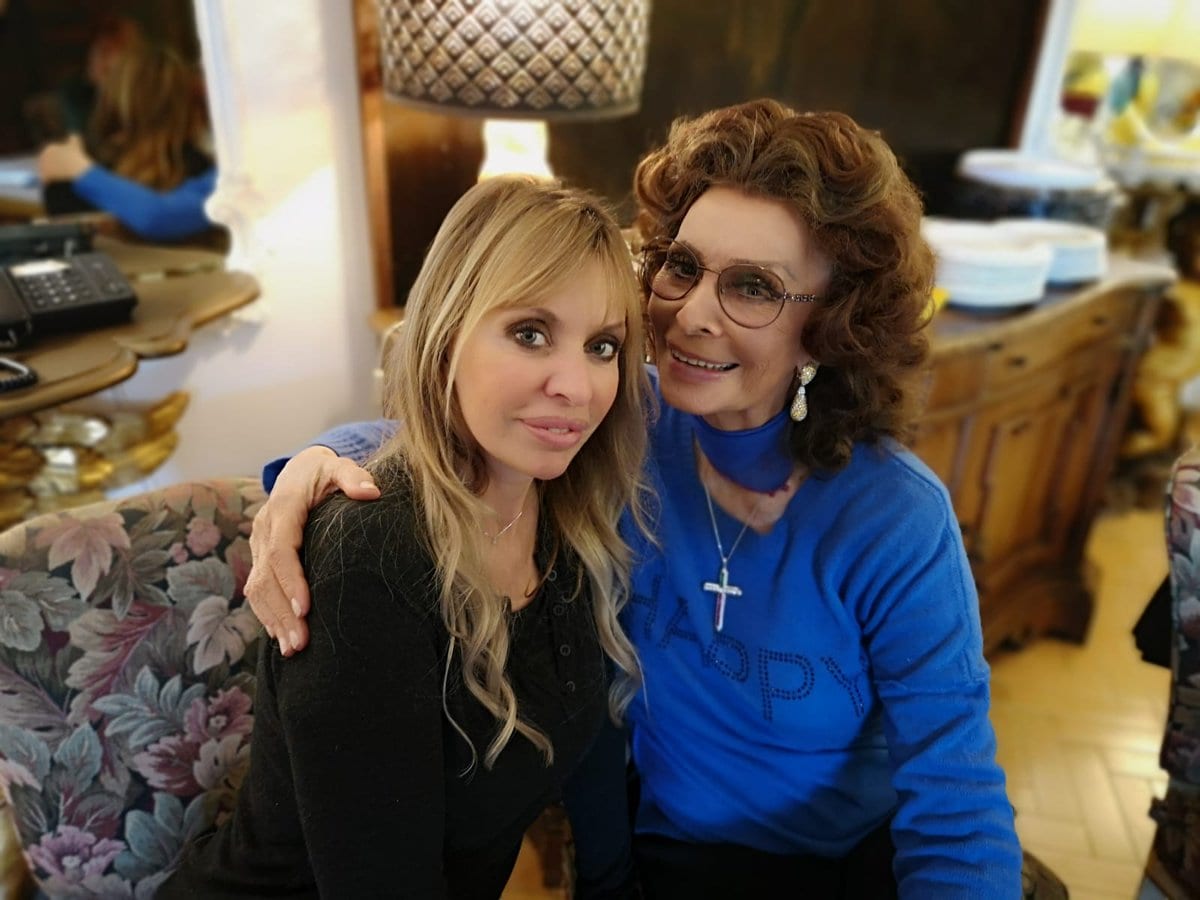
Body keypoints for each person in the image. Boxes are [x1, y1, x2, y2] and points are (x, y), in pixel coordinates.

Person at [247, 99, 1024, 897]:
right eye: (682, 266)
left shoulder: (896, 519)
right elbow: (447, 431)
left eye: (753, 287)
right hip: (658, 854)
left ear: (834, 323)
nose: (691, 314)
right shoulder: (621, 421)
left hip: (835, 868)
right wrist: (315, 464)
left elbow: (957, 800)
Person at [158, 175, 650, 897]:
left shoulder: (565, 523)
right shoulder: (372, 560)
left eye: (603, 346)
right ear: (447, 335)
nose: (577, 387)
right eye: (531, 334)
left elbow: (591, 747)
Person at [36, 38, 216, 242]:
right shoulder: (201, 169)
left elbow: (156, 217)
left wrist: (77, 169)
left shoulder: (74, 175)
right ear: (190, 105)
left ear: (112, 99)